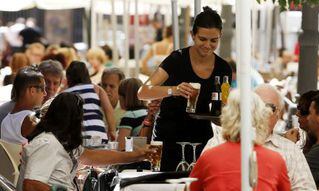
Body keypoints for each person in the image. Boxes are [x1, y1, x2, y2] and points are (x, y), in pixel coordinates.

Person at [137, 6, 232, 171]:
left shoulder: (223, 69)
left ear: (220, 37)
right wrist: (174, 90)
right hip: (169, 139)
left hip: (202, 140)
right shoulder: (177, 59)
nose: (207, 45)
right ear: (192, 35)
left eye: (213, 40)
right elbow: (143, 92)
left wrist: (227, 116)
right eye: (202, 39)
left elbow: (222, 109)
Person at [17, 92, 153, 191]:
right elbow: (31, 185)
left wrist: (138, 155)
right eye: (79, 119)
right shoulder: (47, 143)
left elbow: (93, 156)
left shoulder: (62, 141)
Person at [204, 84, 317, 191]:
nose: (261, 112)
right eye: (255, 106)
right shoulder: (217, 143)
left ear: (278, 114)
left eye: (269, 107)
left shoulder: (290, 150)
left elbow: (306, 188)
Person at [190, 90, 291, 191]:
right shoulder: (275, 160)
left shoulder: (208, 157)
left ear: (227, 117)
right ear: (261, 118)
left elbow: (191, 188)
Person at [64, 61, 116, 141]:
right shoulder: (96, 88)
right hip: (98, 132)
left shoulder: (66, 93)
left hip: (77, 135)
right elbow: (108, 110)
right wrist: (112, 130)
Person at [1, 66, 45, 144]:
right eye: (43, 89)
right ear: (32, 91)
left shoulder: (6, 120)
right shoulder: (29, 120)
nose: (45, 93)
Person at [117, 78, 147, 150]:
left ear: (124, 97)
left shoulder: (130, 115)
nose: (118, 98)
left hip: (135, 158)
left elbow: (122, 147)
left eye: (119, 95)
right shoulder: (147, 112)